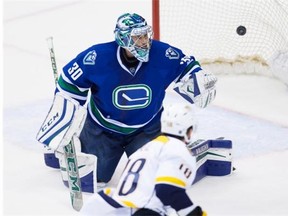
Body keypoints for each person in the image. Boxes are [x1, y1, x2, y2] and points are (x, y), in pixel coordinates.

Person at [40, 12, 217, 191]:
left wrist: (199, 80)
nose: (144, 41)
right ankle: (76, 141)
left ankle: (194, 153)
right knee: (94, 179)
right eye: (137, 37)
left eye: (145, 35)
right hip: (102, 129)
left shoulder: (163, 54)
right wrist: (65, 120)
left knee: (156, 179)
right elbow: (69, 83)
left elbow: (186, 68)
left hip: (147, 129)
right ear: (123, 38)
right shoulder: (96, 57)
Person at [80, 103, 207, 216]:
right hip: (142, 211)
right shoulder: (177, 149)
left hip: (107, 206)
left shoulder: (147, 148)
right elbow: (167, 189)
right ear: (189, 131)